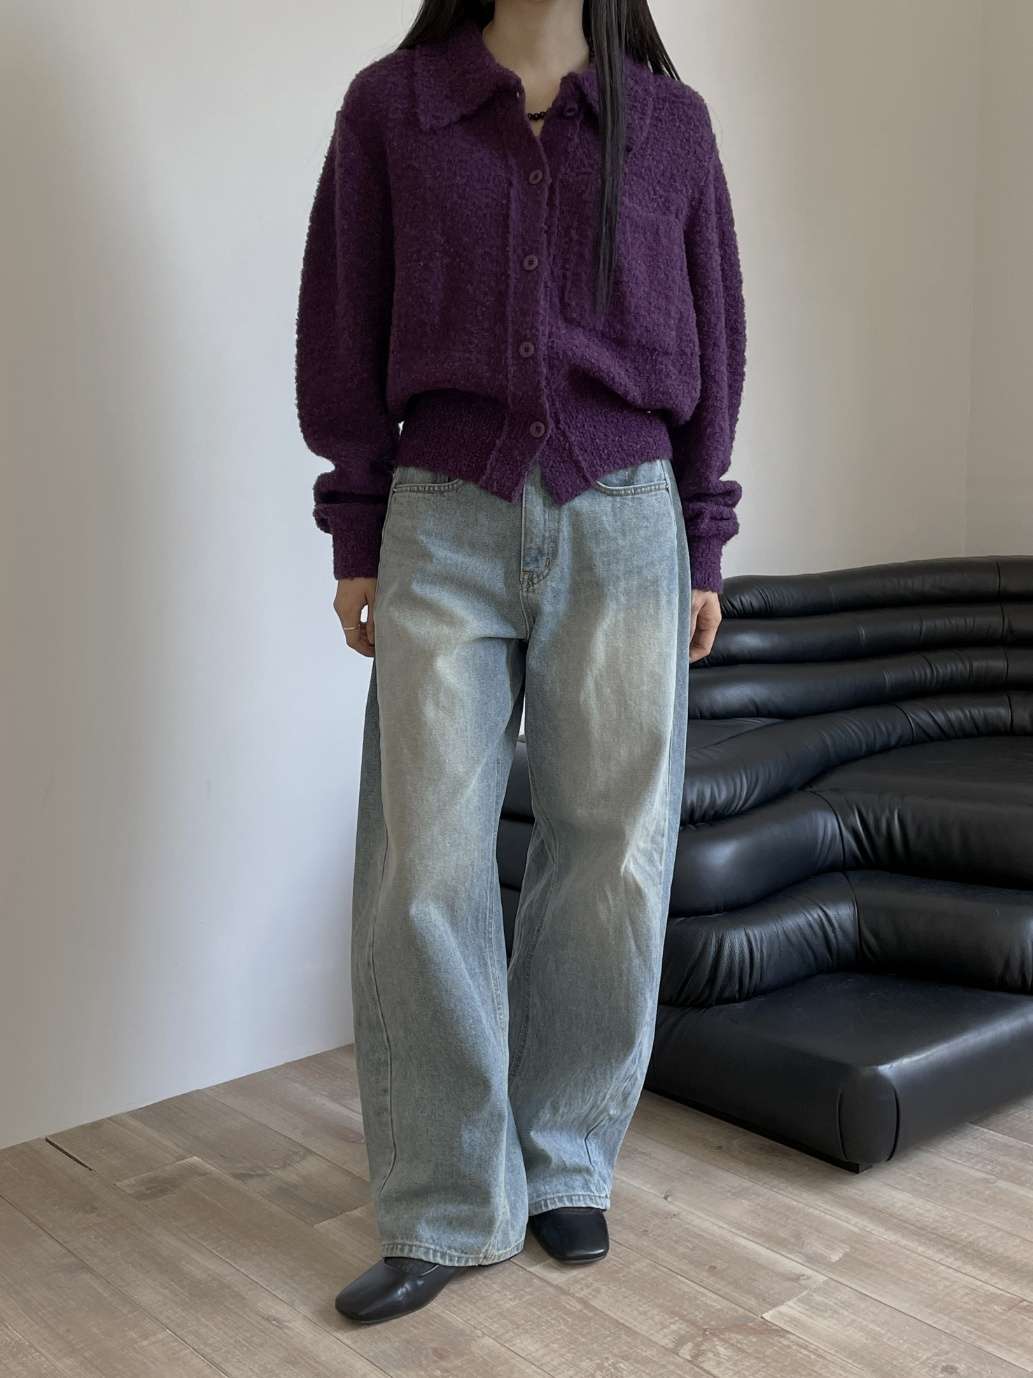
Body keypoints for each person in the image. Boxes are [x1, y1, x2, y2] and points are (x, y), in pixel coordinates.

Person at [294, 0, 746, 1325]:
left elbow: (716, 341)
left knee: (612, 855)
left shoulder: (670, 127)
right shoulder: (394, 108)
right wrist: (356, 527)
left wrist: (702, 540)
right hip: (442, 516)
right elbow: (343, 325)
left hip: (628, 520)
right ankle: (445, 1200)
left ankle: (563, 1159)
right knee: (424, 863)